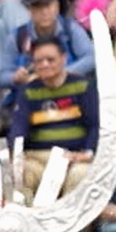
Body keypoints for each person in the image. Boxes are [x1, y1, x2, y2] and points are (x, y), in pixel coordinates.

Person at [15, 37, 96, 194]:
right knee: (23, 173)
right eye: (39, 61)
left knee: (81, 175)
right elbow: (18, 128)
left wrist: (87, 153)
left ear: (64, 59)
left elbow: (95, 125)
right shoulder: (28, 91)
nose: (45, 64)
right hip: (39, 157)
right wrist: (16, 157)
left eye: (50, 59)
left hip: (74, 156)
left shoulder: (82, 86)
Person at [0, 0, 92, 95]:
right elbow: (0, 76)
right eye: (38, 7)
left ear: (57, 7)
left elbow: (91, 57)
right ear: (30, 11)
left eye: (48, 6)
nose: (44, 12)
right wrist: (15, 77)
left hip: (69, 92)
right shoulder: (18, 36)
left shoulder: (70, 29)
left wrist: (61, 72)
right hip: (31, 96)